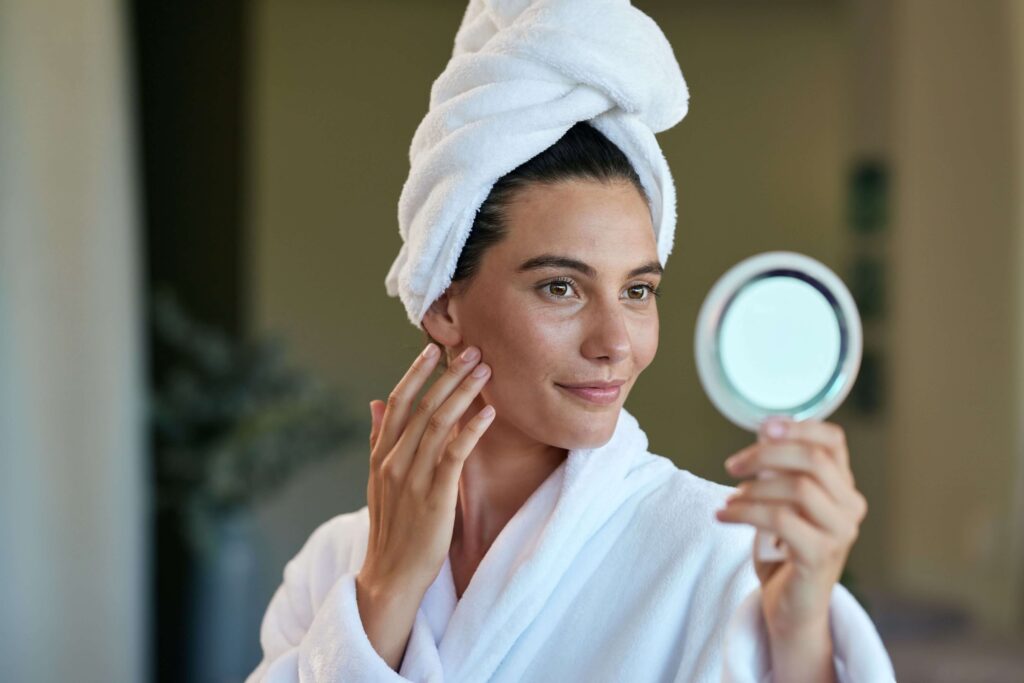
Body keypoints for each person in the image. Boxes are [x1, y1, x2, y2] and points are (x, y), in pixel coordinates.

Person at [243, 121, 895, 683]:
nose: (616, 342)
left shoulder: (719, 553)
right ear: (443, 301)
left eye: (638, 291)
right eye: (561, 287)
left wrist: (801, 637)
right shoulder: (337, 562)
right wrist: (384, 594)